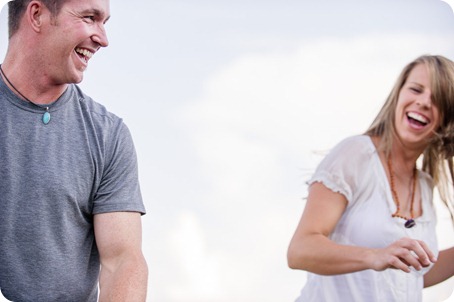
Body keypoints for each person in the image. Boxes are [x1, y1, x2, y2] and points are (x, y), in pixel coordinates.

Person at [0, 0, 148, 301]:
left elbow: (122, 262)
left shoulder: (108, 136)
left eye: (104, 22)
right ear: (37, 15)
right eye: (90, 18)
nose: (103, 39)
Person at [287, 54, 454, 301]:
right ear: (398, 96)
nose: (423, 102)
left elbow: (412, 275)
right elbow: (300, 250)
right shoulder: (356, 154)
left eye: (437, 99)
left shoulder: (425, 186)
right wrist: (373, 256)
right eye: (416, 90)